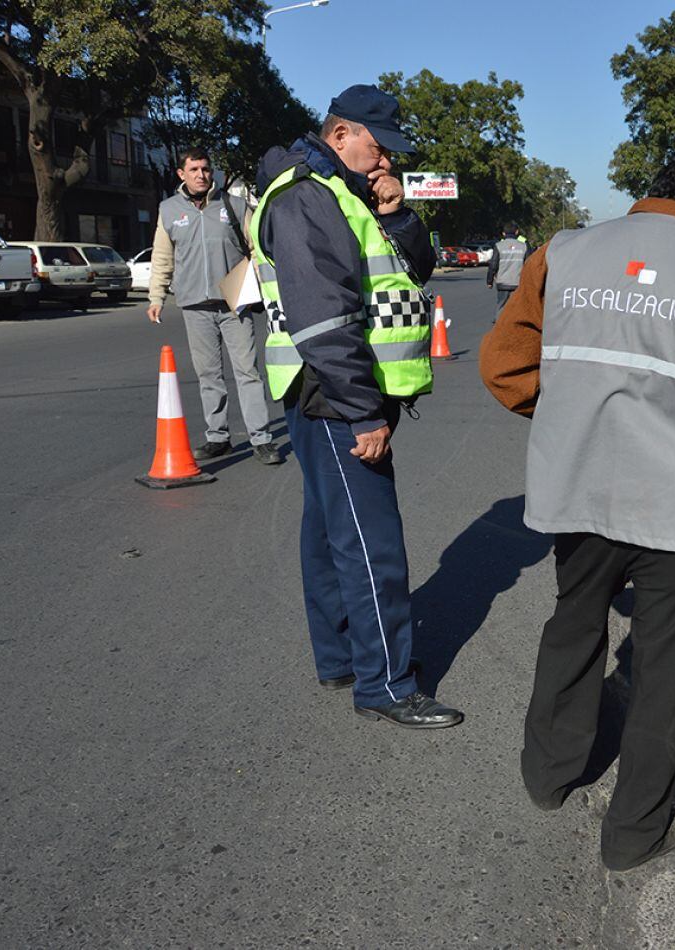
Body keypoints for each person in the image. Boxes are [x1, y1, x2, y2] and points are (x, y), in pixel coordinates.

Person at [478, 151, 675, 870]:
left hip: (581, 487)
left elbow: (503, 366)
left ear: (650, 194)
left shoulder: (562, 252)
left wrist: (573, 409)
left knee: (574, 622)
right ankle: (634, 834)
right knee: (668, 667)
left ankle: (548, 774)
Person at [249, 84, 463, 729]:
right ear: (340, 134)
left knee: (328, 531)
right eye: (376, 147)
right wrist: (362, 411)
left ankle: (342, 656)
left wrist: (395, 213)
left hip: (338, 389)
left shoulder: (346, 192)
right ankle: (387, 685)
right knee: (373, 545)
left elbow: (408, 271)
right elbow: (322, 319)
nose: (384, 162)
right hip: (336, 393)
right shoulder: (306, 196)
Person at [147, 148, 279, 465]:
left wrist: (271, 290)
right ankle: (218, 437)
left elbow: (257, 250)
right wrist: (156, 297)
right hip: (194, 303)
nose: (200, 175)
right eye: (193, 169)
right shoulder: (169, 210)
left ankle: (261, 438)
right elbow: (162, 257)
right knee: (208, 375)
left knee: (248, 372)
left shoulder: (233, 205)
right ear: (181, 174)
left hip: (235, 302)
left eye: (205, 169)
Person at [486, 225, 530, 320]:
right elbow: (529, 265)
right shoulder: (524, 246)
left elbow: (493, 265)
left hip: (503, 283)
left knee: (501, 306)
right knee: (518, 307)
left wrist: (489, 281)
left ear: (503, 233)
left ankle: (498, 326)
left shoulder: (499, 246)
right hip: (518, 283)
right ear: (517, 232)